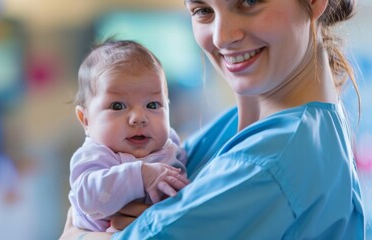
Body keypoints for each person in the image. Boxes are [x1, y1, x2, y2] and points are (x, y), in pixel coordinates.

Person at [61, 0, 366, 238]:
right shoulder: (241, 131)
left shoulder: (269, 163)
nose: (222, 36)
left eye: (249, 1)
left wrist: (77, 235)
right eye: (203, 10)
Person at [68, 40, 189, 232]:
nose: (139, 118)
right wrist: (141, 175)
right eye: (118, 106)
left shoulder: (170, 145)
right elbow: (86, 197)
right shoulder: (96, 155)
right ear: (86, 120)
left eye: (153, 105)